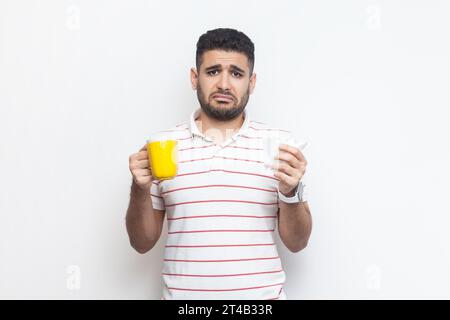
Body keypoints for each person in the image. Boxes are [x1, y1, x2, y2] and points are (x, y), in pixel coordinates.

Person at [126, 28, 312, 300]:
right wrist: (139, 188)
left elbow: (297, 243)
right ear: (194, 78)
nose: (224, 84)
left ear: (252, 82)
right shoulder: (162, 145)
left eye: (236, 73)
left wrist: (291, 191)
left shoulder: (279, 145)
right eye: (213, 71)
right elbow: (141, 243)